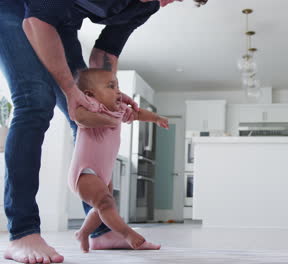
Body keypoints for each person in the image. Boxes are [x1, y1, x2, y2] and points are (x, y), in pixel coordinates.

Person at [0, 0, 207, 263]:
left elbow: (104, 54)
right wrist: (71, 89)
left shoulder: (147, 6)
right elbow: (35, 22)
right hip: (16, 8)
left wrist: (110, 96)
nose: (165, 2)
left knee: (91, 114)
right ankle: (23, 232)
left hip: (61, 24)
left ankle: (101, 229)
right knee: (34, 101)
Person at [70, 69, 168, 253]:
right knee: (105, 203)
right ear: (90, 94)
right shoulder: (92, 106)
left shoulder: (119, 109)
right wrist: (105, 119)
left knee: (104, 207)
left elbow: (137, 114)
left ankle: (83, 233)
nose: (118, 92)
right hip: (84, 172)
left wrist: (156, 118)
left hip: (103, 173)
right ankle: (127, 233)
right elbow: (79, 117)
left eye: (118, 86)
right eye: (111, 86)